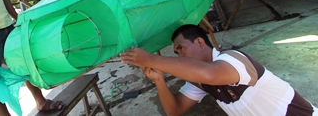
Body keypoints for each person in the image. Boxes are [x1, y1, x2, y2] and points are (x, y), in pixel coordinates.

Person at [120, 24, 317, 116]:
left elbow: (211, 74)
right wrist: (159, 81)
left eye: (181, 49)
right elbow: (175, 109)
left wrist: (152, 59)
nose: (179, 56)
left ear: (200, 43)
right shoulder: (198, 80)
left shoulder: (232, 58)